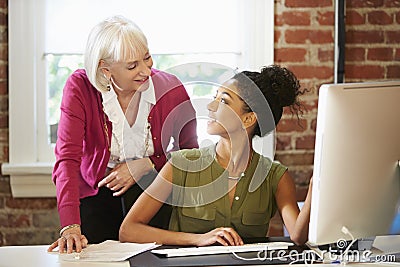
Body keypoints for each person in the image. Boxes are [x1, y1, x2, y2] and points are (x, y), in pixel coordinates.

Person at [47, 15, 198, 253]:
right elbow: (67, 158)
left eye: (147, 58)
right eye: (132, 66)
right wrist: (70, 226)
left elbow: (190, 152)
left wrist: (147, 163)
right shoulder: (80, 87)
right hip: (96, 192)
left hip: (154, 192)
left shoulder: (172, 88)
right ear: (105, 70)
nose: (145, 71)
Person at [119, 65, 312, 246]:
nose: (211, 106)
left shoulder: (275, 177)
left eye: (223, 101)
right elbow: (128, 230)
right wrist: (198, 239)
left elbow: (297, 236)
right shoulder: (181, 164)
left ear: (248, 118)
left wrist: (316, 185)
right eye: (215, 97)